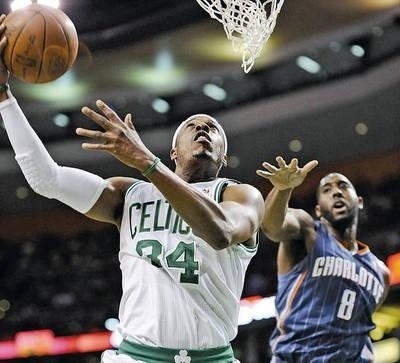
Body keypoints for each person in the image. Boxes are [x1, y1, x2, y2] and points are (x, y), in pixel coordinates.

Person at [0, 15, 264, 363]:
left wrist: (146, 162)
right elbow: (46, 179)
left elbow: (220, 232)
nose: (203, 129)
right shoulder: (131, 195)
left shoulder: (239, 195)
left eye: (213, 128)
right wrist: (4, 96)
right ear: (174, 152)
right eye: (193, 126)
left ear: (224, 157)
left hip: (212, 357)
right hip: (137, 356)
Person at [257, 156, 390, 363]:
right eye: (327, 190)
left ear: (360, 201)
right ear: (318, 210)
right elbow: (271, 227)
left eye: (343, 186)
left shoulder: (381, 272)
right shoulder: (307, 233)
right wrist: (283, 189)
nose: (336, 191)